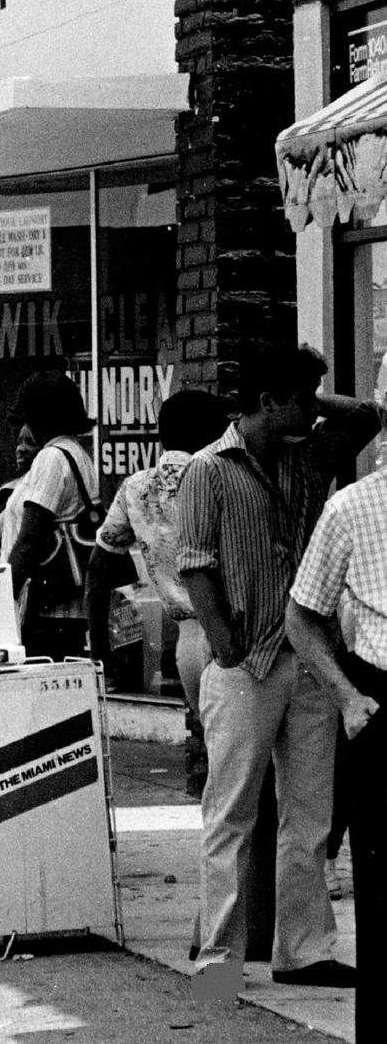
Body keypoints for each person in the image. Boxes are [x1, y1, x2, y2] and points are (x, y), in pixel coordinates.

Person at [176, 342, 378, 991]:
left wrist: (306, 389)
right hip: (246, 665)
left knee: (309, 816)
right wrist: (226, 646)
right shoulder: (208, 469)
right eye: (302, 400)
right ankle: (219, 959)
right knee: (231, 815)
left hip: (310, 658)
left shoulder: (308, 456)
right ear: (267, 401)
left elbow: (367, 417)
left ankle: (304, 952)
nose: (315, 412)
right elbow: (195, 565)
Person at [285, 453, 387, 1041]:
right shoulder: (350, 507)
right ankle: (217, 977)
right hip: (371, 693)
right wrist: (347, 698)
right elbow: (300, 615)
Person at [85, 388, 230, 703]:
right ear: (217, 436)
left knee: (204, 727)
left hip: (188, 640)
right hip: (233, 634)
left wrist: (100, 654)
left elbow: (98, 570)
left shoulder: (136, 488)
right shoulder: (226, 478)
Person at [0, 371, 97, 643]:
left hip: (47, 609)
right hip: (68, 608)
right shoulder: (76, 453)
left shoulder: (51, 457)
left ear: (41, 418)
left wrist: (1, 600)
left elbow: (30, 538)